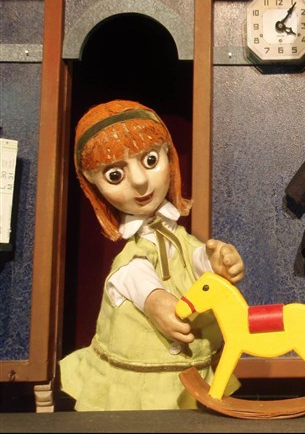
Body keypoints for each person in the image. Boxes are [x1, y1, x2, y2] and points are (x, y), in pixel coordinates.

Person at [59, 100, 245, 411]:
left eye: (149, 160)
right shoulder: (133, 256)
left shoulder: (177, 236)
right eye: (115, 175)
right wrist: (155, 300)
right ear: (92, 181)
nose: (140, 181)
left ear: (168, 155)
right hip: (139, 375)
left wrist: (213, 263)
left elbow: (190, 257)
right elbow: (133, 275)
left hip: (188, 368)